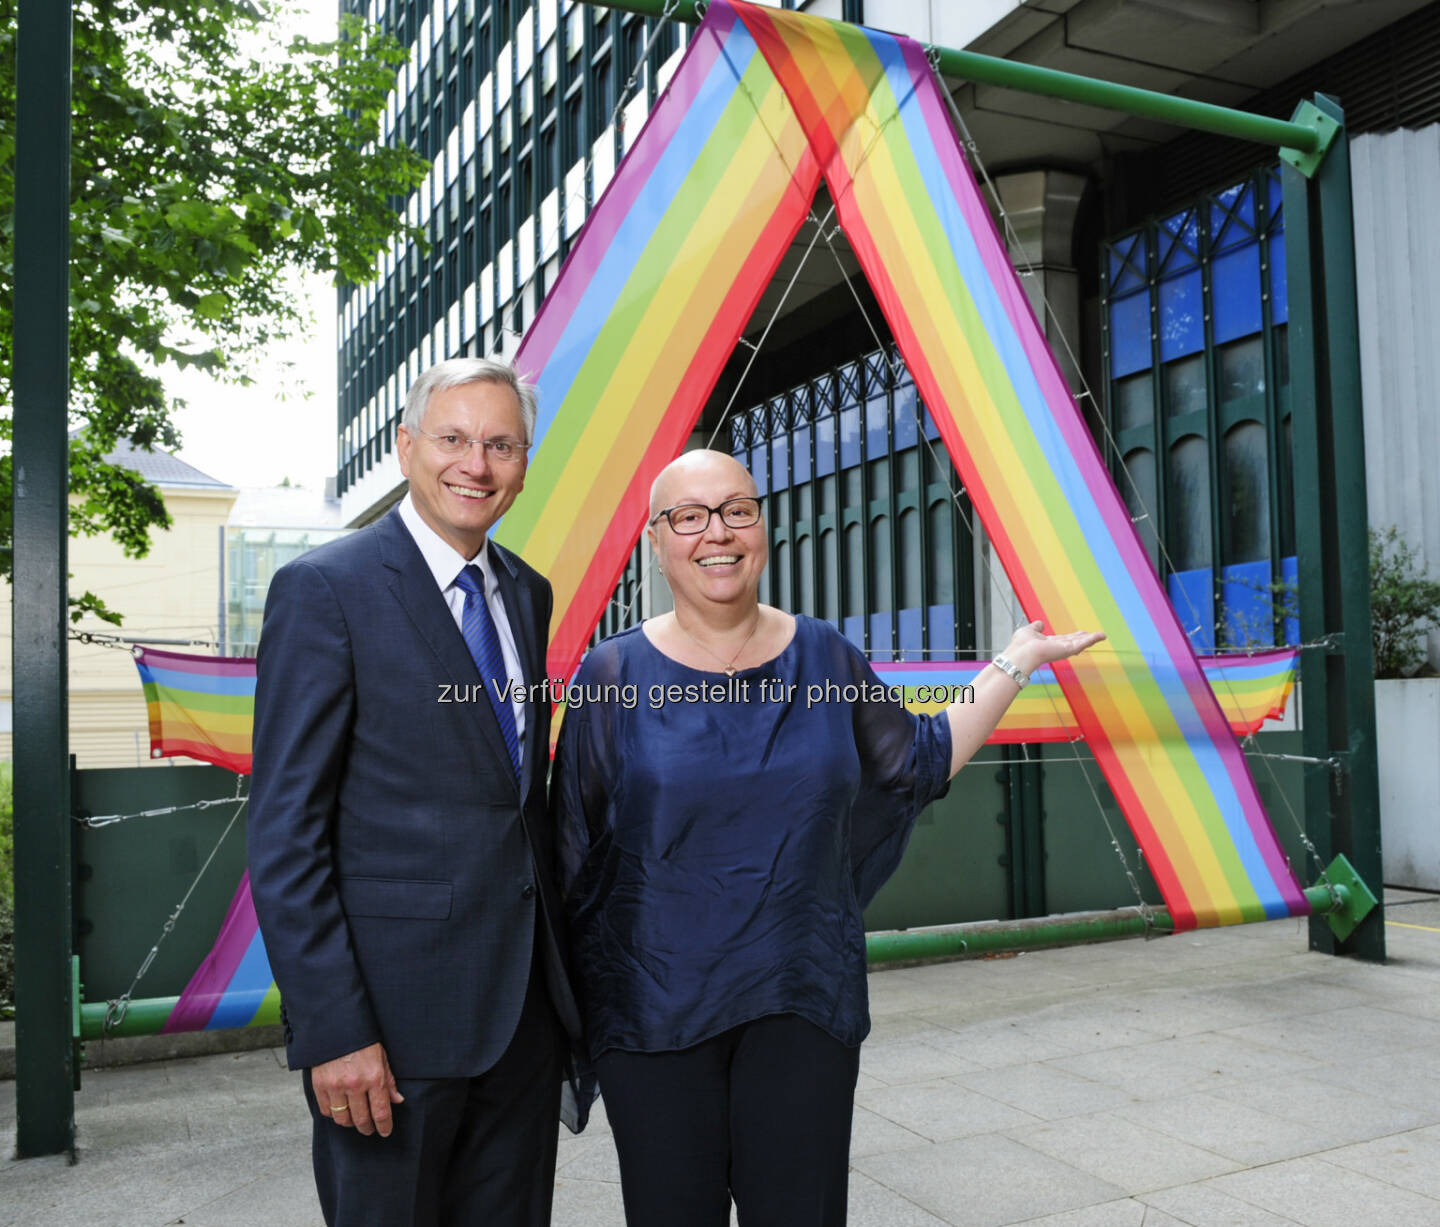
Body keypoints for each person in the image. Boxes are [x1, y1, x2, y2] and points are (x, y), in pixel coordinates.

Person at [553, 448, 1104, 1227]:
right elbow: (571, 855)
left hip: (801, 1002)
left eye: (738, 508)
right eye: (691, 515)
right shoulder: (610, 677)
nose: (718, 532)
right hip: (652, 1016)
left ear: (763, 524)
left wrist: (1014, 662)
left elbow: (917, 759)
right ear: (657, 538)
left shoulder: (825, 655)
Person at [248, 357, 581, 1227]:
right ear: (406, 447)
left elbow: (517, 803)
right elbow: (286, 833)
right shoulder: (325, 590)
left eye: (501, 443)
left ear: (523, 462)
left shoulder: (527, 592)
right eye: (455, 438)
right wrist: (332, 1029)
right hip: (386, 1037)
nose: (477, 462)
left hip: (521, 1023)